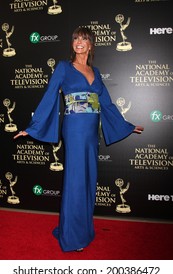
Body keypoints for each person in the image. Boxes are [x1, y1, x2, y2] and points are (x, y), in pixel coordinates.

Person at [14, 26, 144, 252]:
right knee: (75, 182)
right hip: (74, 131)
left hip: (91, 132)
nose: (79, 42)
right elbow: (49, 95)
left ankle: (83, 230)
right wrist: (32, 128)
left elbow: (107, 104)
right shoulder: (64, 67)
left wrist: (126, 126)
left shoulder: (97, 72)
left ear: (91, 44)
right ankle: (72, 237)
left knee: (89, 180)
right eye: (75, 38)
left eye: (84, 39)